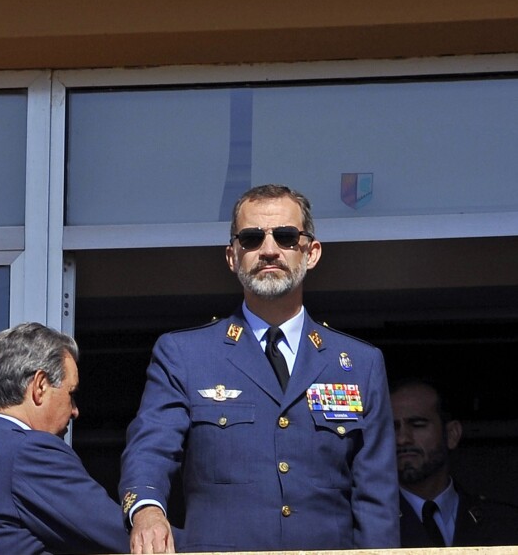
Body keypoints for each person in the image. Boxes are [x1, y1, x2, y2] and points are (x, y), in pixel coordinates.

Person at [119, 183, 400, 553]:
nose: (269, 250)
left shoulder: (359, 363)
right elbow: (151, 448)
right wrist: (147, 511)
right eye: (251, 239)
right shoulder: (185, 354)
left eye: (285, 237)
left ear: (311, 253)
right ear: (232, 256)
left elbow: (377, 499)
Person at [0, 322, 130, 555]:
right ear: (39, 387)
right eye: (71, 394)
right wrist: (185, 542)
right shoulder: (28, 452)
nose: (75, 411)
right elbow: (120, 535)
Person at [391, 376, 518, 547]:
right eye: (392, 427)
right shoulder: (363, 525)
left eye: (417, 424)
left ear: (452, 434)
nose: (402, 439)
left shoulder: (504, 522)